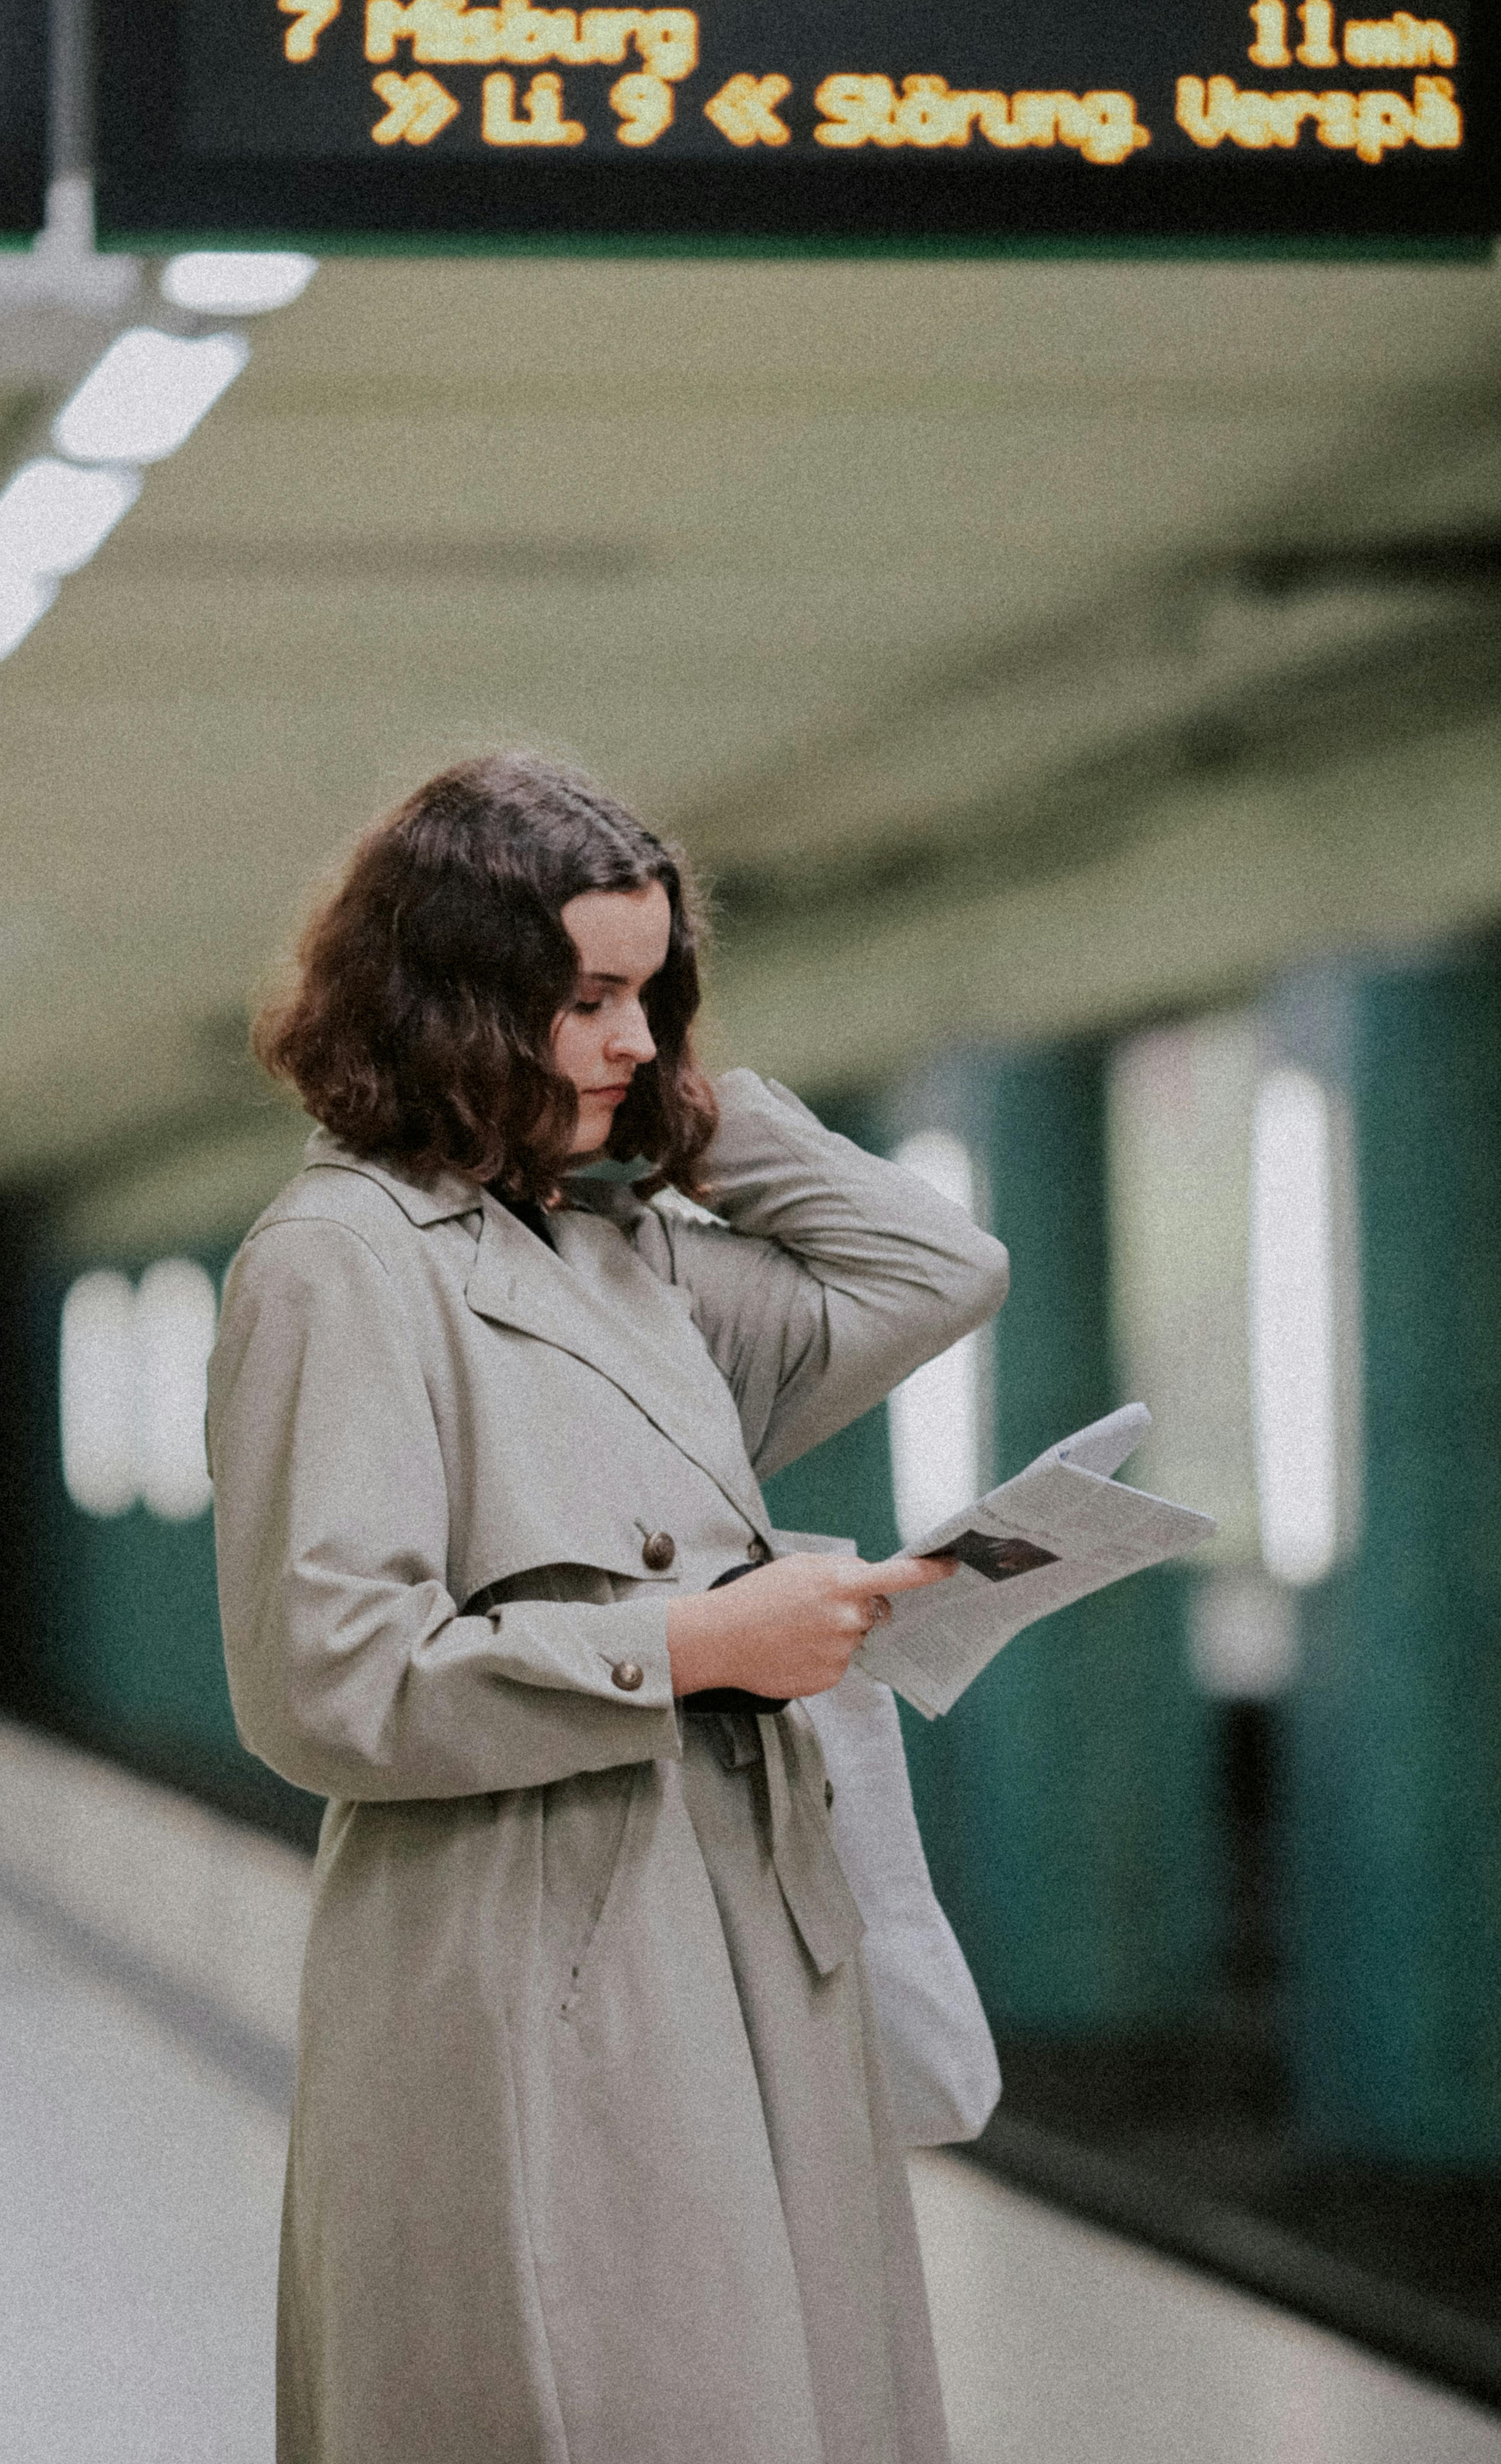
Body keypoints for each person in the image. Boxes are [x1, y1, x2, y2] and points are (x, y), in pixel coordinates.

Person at [207, 752, 1010, 2464]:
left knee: (795, 2400)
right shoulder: (339, 1263)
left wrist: (697, 1114)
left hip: (746, 1925)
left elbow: (935, 1271)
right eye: (586, 1000)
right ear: (452, 1006)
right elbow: (322, 1683)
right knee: (611, 2396)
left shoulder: (620, 1257)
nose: (634, 1042)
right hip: (537, 1948)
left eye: (652, 999)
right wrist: (694, 1647)